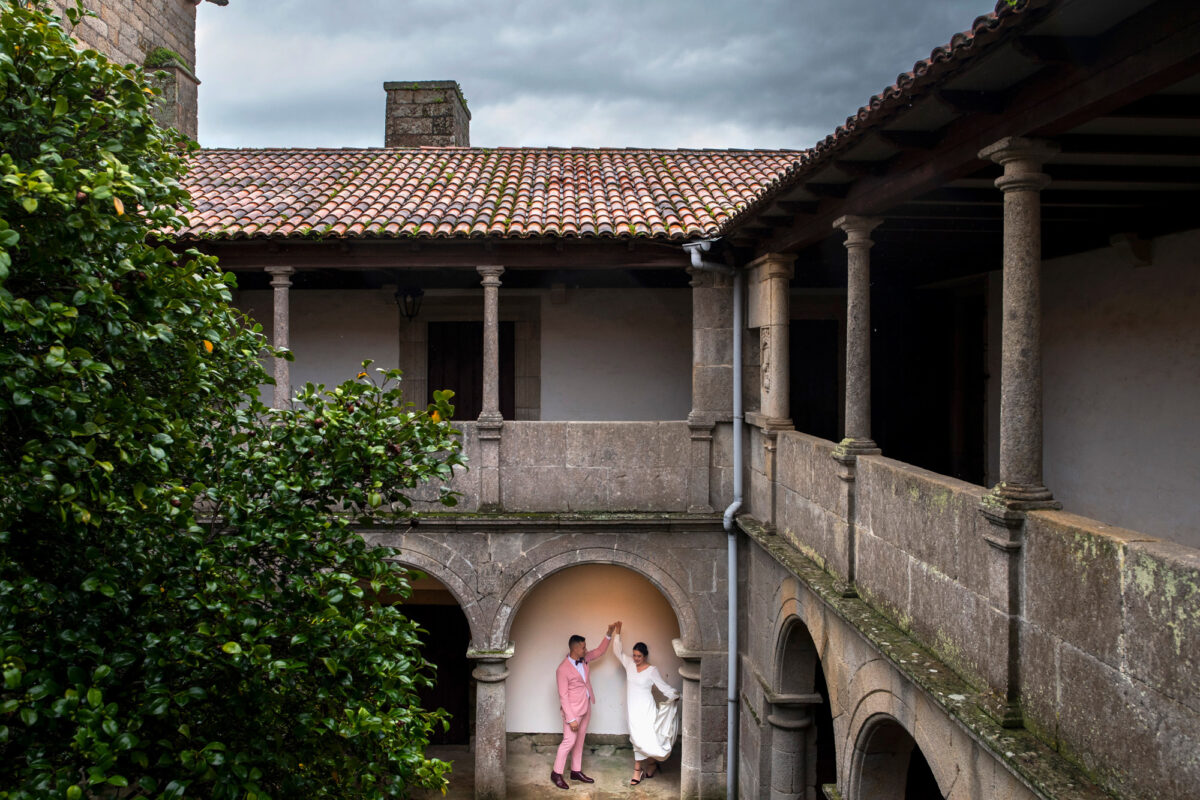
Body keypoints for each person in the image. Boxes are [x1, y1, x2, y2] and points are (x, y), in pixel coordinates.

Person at [551, 621, 618, 790]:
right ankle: (556, 773)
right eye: (582, 647)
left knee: (580, 741)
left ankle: (576, 771)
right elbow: (563, 696)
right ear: (574, 649)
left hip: (586, 706)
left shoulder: (585, 659)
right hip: (573, 711)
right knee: (568, 741)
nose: (586, 650)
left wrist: (609, 633)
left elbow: (600, 651)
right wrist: (571, 718)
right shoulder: (562, 669)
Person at [611, 621, 680, 785]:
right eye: (634, 655)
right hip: (632, 710)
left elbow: (663, 687)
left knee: (644, 738)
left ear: (645, 656)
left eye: (639, 656)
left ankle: (637, 771)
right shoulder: (629, 664)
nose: (636, 659)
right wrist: (618, 633)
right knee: (637, 738)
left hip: (647, 709)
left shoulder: (652, 670)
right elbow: (617, 651)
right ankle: (651, 764)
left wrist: (675, 695)